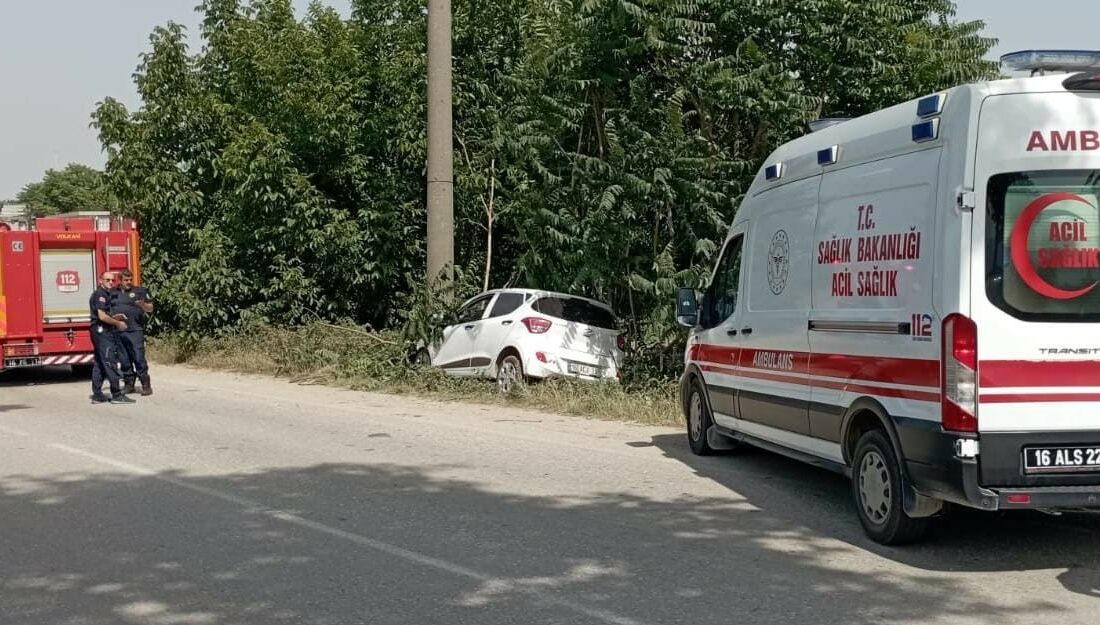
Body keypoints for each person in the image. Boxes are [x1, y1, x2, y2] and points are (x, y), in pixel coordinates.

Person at [89, 271, 134, 404]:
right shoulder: (100, 294)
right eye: (107, 280)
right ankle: (116, 394)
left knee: (99, 362)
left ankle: (97, 394)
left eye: (112, 280)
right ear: (100, 281)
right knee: (110, 361)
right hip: (102, 332)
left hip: (100, 331)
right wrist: (117, 323)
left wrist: (115, 317)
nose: (110, 282)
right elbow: (102, 316)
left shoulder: (105, 294)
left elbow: (104, 314)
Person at [112, 268, 154, 395]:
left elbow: (150, 308)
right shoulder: (112, 292)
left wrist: (143, 305)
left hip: (135, 330)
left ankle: (146, 385)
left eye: (130, 279)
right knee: (124, 359)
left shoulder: (139, 291)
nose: (129, 282)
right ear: (120, 280)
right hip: (119, 331)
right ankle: (129, 384)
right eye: (126, 280)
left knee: (138, 357)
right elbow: (106, 310)